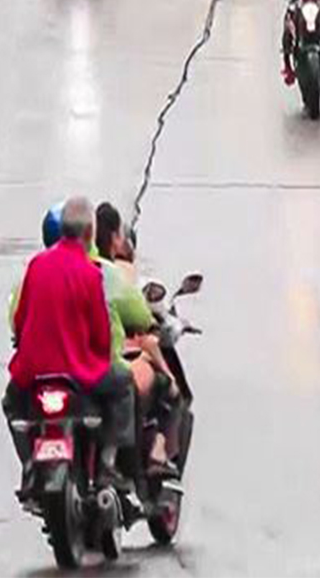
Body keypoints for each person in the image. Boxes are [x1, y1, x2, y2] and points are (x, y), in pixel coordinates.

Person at [7, 196, 132, 489]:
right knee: (124, 384)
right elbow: (102, 335)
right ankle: (107, 464)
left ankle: (28, 465)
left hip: (34, 374)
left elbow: (21, 321)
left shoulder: (36, 266)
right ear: (90, 233)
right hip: (78, 373)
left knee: (11, 403)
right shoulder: (92, 274)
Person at [95, 202, 181, 478]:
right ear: (115, 239)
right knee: (159, 384)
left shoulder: (49, 271)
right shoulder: (113, 275)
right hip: (106, 362)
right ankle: (141, 459)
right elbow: (142, 317)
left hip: (67, 367)